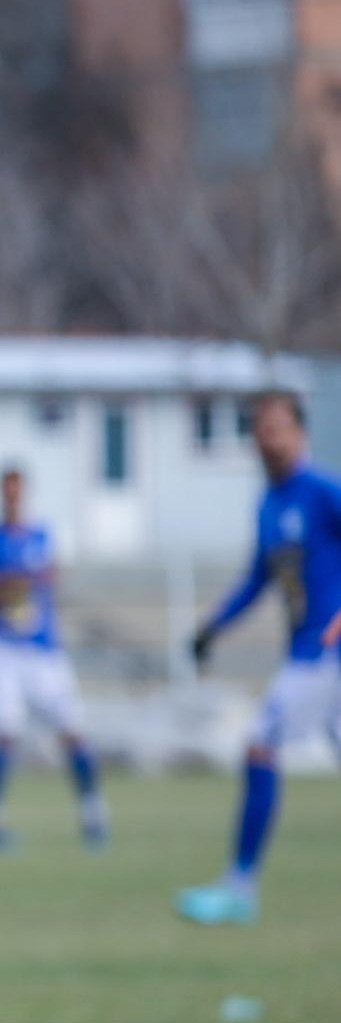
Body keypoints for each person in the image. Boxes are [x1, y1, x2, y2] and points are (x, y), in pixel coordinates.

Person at [175, 389, 341, 927]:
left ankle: (240, 886)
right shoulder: (269, 505)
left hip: (325, 654)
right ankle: (239, 886)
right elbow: (257, 580)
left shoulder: (324, 493)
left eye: (277, 427)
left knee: (260, 745)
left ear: (300, 433)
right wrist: (211, 628)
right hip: (308, 655)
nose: (268, 439)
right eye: (259, 429)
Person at [0, 465, 106, 851]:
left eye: (17, 490)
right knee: (3, 733)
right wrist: (15, 579)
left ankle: (93, 815)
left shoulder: (43, 535)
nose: (12, 497)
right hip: (0, 648)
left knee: (73, 730)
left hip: (42, 649)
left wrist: (27, 579)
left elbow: (52, 579)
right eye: (7, 490)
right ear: (0, 494)